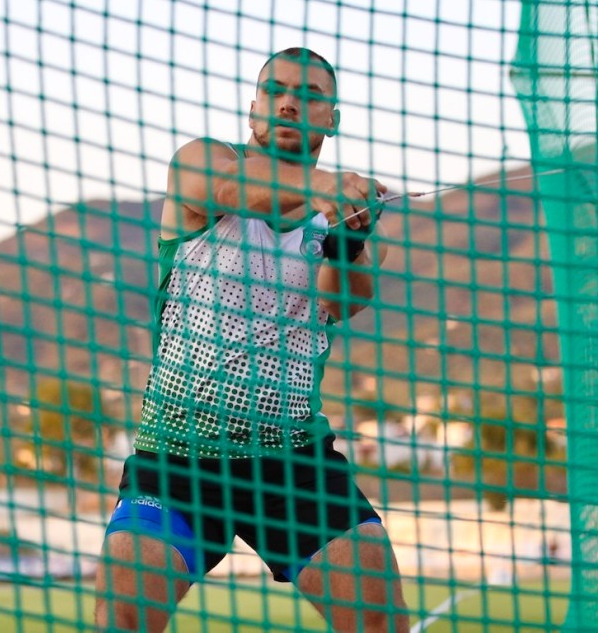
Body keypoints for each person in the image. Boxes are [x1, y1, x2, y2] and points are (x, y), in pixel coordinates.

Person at [95, 48, 410, 632]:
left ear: (332, 119)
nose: (289, 103)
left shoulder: (348, 215)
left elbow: (345, 300)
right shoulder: (199, 162)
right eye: (276, 91)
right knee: (124, 616)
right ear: (253, 108)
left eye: (310, 96)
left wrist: (347, 240)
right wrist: (324, 186)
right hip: (178, 457)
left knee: (380, 622)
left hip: (292, 461)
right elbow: (233, 186)